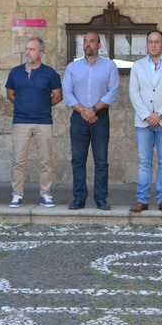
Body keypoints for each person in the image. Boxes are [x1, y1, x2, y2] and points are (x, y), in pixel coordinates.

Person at [62, 32, 120, 210]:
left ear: (99, 45)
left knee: (101, 161)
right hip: (79, 118)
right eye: (85, 41)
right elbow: (67, 93)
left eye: (92, 41)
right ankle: (79, 199)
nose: (88, 44)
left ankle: (101, 199)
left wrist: (93, 110)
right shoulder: (72, 67)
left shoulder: (109, 66)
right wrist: (85, 111)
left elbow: (113, 91)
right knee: (78, 160)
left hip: (100, 117)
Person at [129, 30, 162, 214]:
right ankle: (142, 200)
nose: (153, 45)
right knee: (144, 161)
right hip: (143, 122)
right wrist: (147, 115)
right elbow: (134, 93)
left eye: (157, 42)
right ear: (147, 44)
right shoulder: (137, 66)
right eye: (150, 42)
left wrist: (159, 114)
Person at [5, 37, 62, 208]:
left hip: (43, 122)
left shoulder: (50, 74)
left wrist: (42, 106)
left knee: (46, 161)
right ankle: (16, 195)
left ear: (41, 53)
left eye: (32, 49)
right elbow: (10, 94)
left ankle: (46, 194)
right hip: (20, 122)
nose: (27, 52)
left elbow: (57, 96)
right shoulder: (15, 72)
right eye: (26, 49)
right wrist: (23, 105)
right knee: (18, 161)